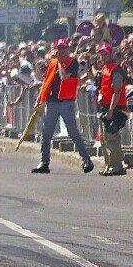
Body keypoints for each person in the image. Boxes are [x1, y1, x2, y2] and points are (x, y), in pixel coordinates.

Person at [32, 38, 94, 174]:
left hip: (66, 101)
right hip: (52, 102)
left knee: (73, 132)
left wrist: (59, 62)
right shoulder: (53, 63)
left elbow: (64, 76)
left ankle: (86, 160)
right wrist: (40, 97)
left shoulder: (73, 63)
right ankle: (44, 162)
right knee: (46, 133)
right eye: (60, 49)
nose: (62, 51)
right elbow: (46, 81)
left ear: (68, 49)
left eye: (64, 48)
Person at [94, 43, 128, 176]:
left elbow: (117, 91)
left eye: (106, 53)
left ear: (111, 54)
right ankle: (109, 165)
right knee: (103, 139)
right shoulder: (104, 68)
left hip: (113, 108)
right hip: (104, 108)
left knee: (112, 138)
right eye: (101, 54)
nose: (103, 56)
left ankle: (117, 166)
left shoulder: (116, 70)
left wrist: (111, 109)